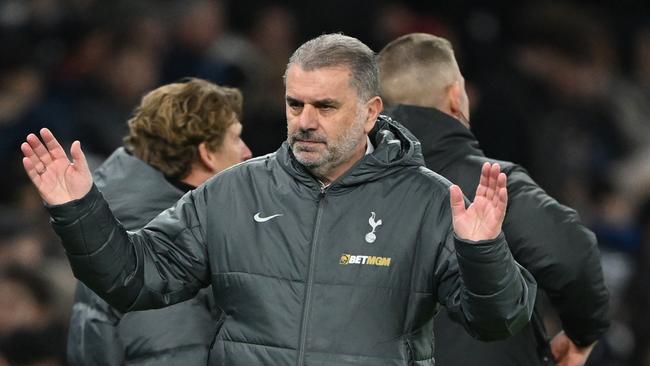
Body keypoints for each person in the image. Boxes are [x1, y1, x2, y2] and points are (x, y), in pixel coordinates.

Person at [21, 33, 536, 365]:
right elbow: (135, 280)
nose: (305, 120)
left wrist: (483, 251)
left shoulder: (428, 201)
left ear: (371, 110)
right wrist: (80, 209)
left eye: (325, 106)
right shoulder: (234, 189)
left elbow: (496, 321)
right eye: (295, 104)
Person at [377, 33, 610, 366]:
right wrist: (582, 333)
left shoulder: (347, 191)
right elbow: (571, 256)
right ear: (457, 97)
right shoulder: (493, 185)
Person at [67, 78, 252, 365]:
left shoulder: (120, 220)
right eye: (236, 137)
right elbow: (171, 353)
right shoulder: (168, 246)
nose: (247, 152)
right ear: (207, 153)